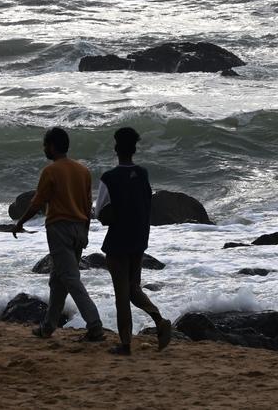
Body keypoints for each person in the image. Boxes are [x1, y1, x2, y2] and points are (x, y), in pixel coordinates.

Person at [12, 128, 105, 341]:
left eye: (45, 145)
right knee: (57, 280)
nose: (44, 149)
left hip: (59, 228)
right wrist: (85, 232)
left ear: (52, 146)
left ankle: (95, 324)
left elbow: (37, 202)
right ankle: (48, 326)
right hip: (80, 228)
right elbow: (87, 205)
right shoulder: (83, 171)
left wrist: (20, 223)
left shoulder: (51, 171)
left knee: (71, 279)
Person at [99, 127, 172, 355]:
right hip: (139, 239)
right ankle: (158, 320)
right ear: (134, 149)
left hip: (118, 242)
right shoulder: (143, 174)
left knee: (122, 295)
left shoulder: (109, 178)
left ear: (116, 149)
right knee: (132, 288)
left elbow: (100, 211)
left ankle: (125, 343)